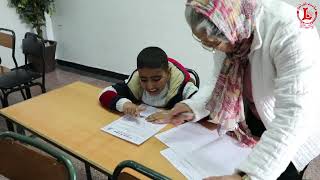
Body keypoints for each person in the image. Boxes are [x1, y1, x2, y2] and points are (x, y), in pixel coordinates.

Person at [153, 0, 320, 179]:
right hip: (256, 112)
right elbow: (219, 80)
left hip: (294, 128)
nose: (212, 49)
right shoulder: (232, 27)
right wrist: (192, 106)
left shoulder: (292, 32)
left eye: (212, 44)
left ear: (230, 25)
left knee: (277, 172)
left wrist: (249, 175)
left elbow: (293, 117)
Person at [99, 46, 198, 117]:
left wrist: (186, 108)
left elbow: (205, 106)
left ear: (168, 73)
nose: (150, 86)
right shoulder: (134, 83)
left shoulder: (183, 87)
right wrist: (124, 104)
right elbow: (105, 93)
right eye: (143, 80)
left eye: (156, 79)